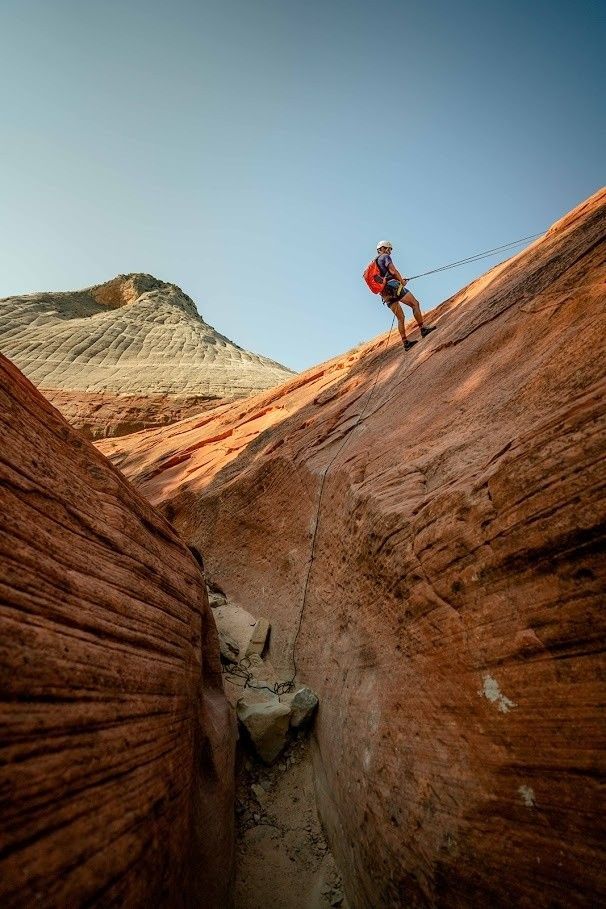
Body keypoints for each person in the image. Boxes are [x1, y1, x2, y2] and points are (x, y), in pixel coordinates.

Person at [375, 241, 436, 350]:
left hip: (384, 293)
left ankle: (405, 342)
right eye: (388, 249)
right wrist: (402, 281)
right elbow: (393, 271)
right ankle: (423, 329)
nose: (390, 252)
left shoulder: (375, 263)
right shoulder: (385, 257)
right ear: (383, 249)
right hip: (393, 286)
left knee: (400, 318)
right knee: (415, 304)